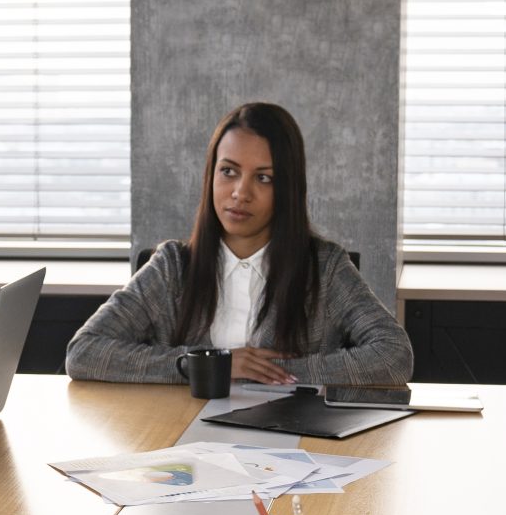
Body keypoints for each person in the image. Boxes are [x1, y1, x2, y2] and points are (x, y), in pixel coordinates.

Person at [64, 101, 414, 385]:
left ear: (287, 189)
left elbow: (394, 355)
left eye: (263, 178)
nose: (240, 193)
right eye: (228, 171)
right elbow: (83, 353)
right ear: (211, 175)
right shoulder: (172, 266)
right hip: (181, 449)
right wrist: (204, 366)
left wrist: (276, 373)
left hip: (290, 450)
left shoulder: (325, 268)